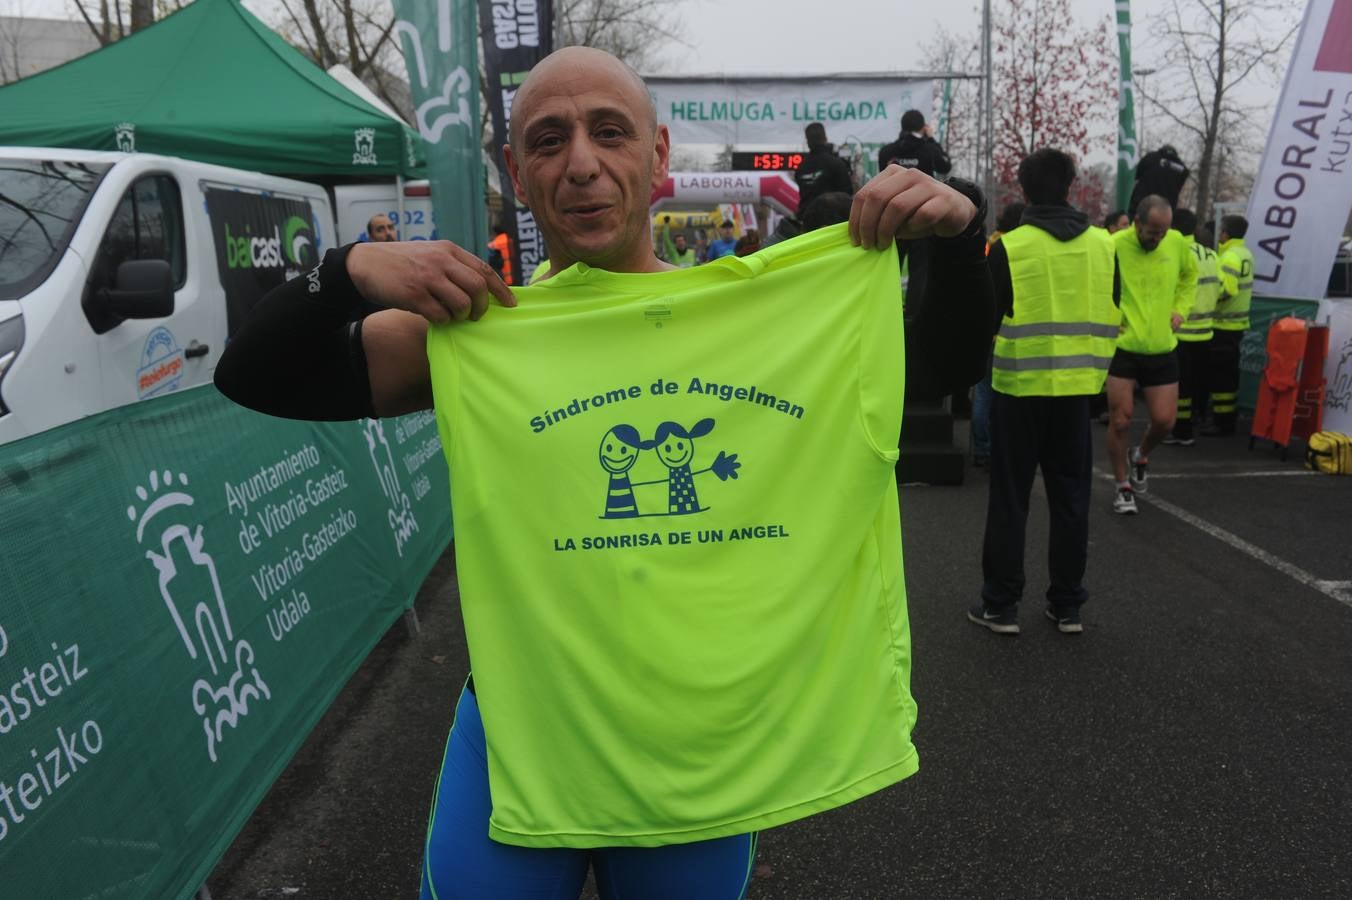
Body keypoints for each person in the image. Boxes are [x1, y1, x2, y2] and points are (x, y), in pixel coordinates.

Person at [214, 46, 991, 900]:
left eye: (609, 132)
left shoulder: (763, 326)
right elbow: (253, 375)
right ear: (517, 171)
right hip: (521, 745)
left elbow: (946, 365)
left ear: (657, 156)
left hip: (699, 757)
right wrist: (348, 269)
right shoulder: (480, 334)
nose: (580, 163)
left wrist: (956, 238)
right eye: (548, 141)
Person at [968, 150, 1119, 635]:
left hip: (1018, 390)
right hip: (1078, 393)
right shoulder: (1104, 245)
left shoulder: (1010, 247)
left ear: (1024, 190)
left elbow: (986, 319)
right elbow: (1112, 305)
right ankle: (1068, 605)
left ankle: (1000, 605)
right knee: (1072, 500)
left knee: (1011, 499)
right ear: (1073, 186)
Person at [1107, 195, 1197, 514]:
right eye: (1151, 233)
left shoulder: (1176, 243)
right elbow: (1098, 282)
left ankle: (1140, 454)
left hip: (1161, 345)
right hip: (1123, 347)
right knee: (1120, 420)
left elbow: (1190, 277)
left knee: (1164, 421)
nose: (1158, 239)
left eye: (1163, 232)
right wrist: (1107, 316)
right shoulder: (1114, 244)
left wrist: (1181, 310)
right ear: (1137, 223)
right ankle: (1122, 486)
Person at [876, 111, 952, 319]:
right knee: (919, 273)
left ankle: (886, 315)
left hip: (892, 219)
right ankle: (913, 319)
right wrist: (932, 139)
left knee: (890, 268)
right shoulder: (928, 149)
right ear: (922, 127)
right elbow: (945, 165)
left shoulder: (887, 152)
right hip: (921, 219)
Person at [971, 201, 1027, 467]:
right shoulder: (1017, 248)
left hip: (987, 329)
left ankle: (981, 449)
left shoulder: (990, 242)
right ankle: (992, 449)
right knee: (996, 395)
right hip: (1008, 331)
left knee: (983, 392)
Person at [1164, 211, 1220, 446]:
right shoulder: (1211, 254)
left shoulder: (1176, 253)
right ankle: (1194, 420)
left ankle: (1181, 430)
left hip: (1181, 331)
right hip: (1206, 330)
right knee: (1198, 381)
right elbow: (1224, 289)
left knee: (1181, 384)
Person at [1205, 215, 1254, 436]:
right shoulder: (1246, 254)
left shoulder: (1229, 257)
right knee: (1229, 375)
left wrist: (1206, 298)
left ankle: (1222, 422)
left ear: (1225, 233)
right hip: (1237, 325)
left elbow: (1226, 290)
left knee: (1221, 376)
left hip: (1223, 324)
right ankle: (1227, 419)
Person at [793, 122, 854, 216]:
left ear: (808, 142)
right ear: (825, 138)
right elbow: (847, 193)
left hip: (807, 220)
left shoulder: (801, 167)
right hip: (833, 219)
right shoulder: (837, 163)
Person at [877, 110, 952, 180]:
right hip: (923, 193)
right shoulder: (930, 150)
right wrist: (931, 139)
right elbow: (945, 167)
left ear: (902, 127)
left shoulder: (885, 152)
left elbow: (882, 179)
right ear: (923, 128)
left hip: (895, 194)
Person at [1129, 145, 1189, 215]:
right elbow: (1179, 187)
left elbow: (1136, 175)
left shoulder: (1151, 157)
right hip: (1165, 210)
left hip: (1141, 203)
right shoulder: (1183, 169)